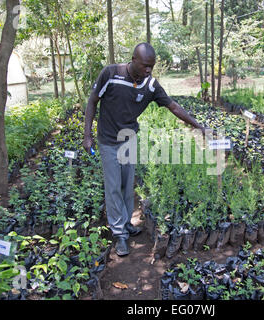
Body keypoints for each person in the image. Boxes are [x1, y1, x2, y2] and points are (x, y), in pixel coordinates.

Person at [83, 42, 207, 257]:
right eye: (145, 66)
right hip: (108, 141)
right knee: (113, 188)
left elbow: (173, 106)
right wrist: (87, 135)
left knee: (128, 185)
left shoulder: (150, 85)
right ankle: (119, 233)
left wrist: (198, 126)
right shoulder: (111, 74)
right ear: (133, 60)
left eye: (152, 66)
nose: (148, 70)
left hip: (129, 139)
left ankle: (127, 222)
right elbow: (92, 101)